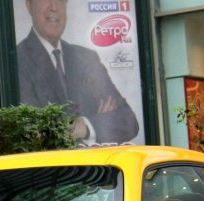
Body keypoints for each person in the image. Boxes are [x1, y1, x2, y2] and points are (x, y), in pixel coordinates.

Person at [17, 0, 139, 145]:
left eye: (61, 1)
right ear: (29, 5)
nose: (54, 7)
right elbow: (34, 132)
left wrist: (85, 125)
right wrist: (100, 120)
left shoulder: (86, 58)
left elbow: (129, 121)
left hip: (97, 166)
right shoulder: (18, 60)